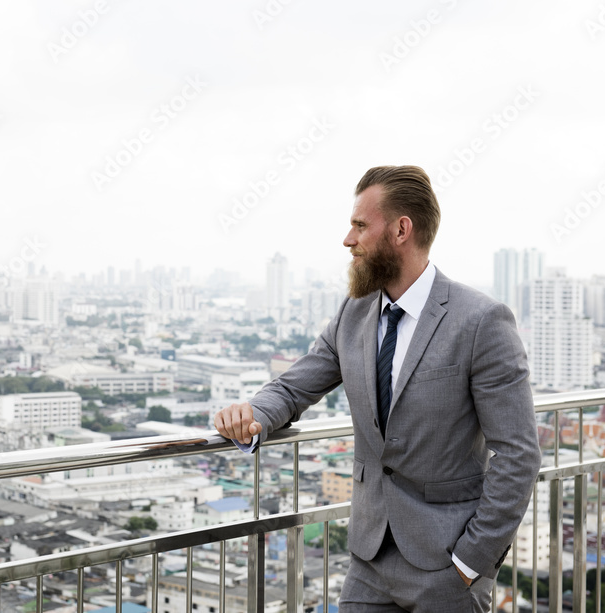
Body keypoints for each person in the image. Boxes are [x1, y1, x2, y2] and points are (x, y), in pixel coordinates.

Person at [213, 165, 541, 612]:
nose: (348, 240)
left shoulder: (480, 321)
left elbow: (519, 453)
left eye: (360, 225)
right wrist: (252, 413)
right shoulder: (355, 312)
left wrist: (472, 560)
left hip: (448, 565)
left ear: (401, 229)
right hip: (368, 560)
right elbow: (294, 386)